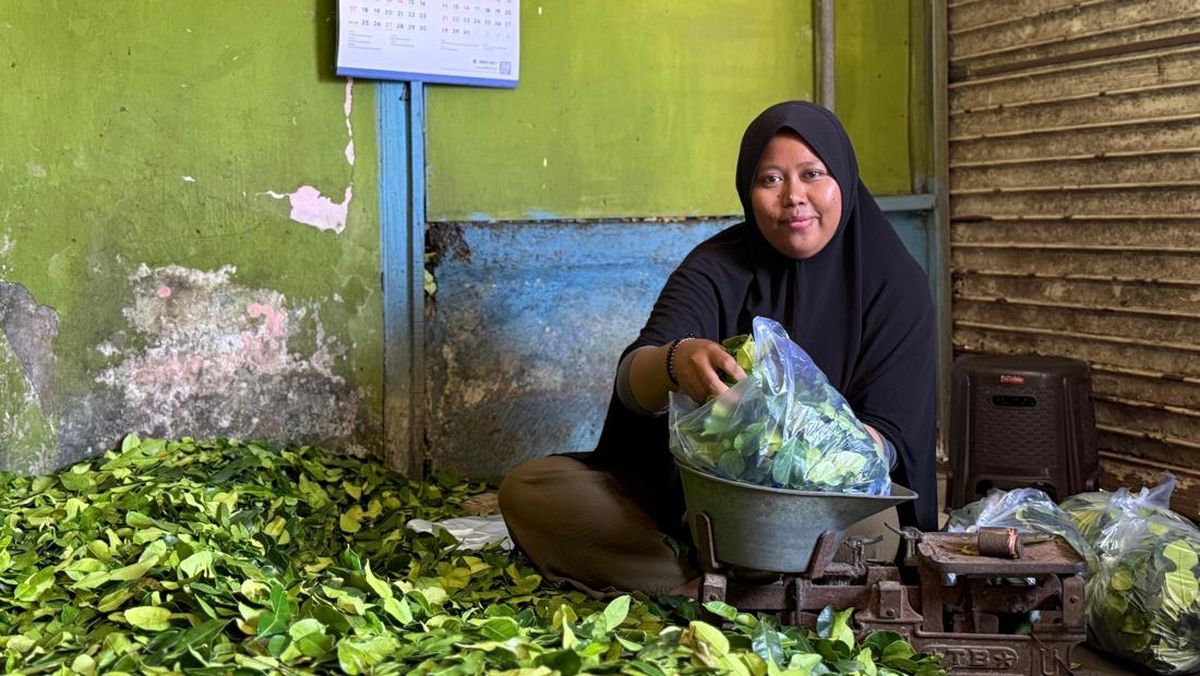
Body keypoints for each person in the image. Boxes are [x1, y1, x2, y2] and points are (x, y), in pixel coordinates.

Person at [498, 101, 937, 597]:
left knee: (877, 531)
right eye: (771, 179)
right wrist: (676, 360)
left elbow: (889, 441)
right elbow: (631, 380)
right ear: (748, 190)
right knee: (532, 490)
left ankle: (705, 583)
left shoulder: (894, 284)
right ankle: (735, 589)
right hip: (697, 499)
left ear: (844, 180)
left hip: (824, 509)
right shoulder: (717, 266)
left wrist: (789, 445)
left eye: (813, 174)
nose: (794, 196)